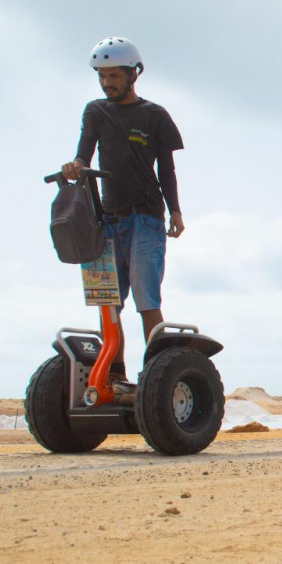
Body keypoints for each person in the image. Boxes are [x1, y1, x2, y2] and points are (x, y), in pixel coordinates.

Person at [60, 36, 185, 391]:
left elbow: (167, 169)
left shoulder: (154, 115)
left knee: (147, 300)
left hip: (146, 217)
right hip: (106, 221)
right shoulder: (95, 111)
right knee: (108, 304)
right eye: (101, 76)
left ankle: (156, 379)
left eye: (114, 76)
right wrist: (75, 167)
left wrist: (174, 210)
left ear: (133, 74)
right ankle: (114, 378)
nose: (107, 83)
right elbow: (84, 155)